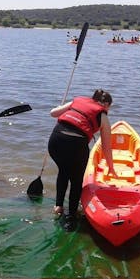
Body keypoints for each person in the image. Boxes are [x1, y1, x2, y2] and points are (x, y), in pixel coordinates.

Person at [48, 89, 116, 231]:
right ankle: (72, 213)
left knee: (63, 171)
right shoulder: (103, 116)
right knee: (76, 180)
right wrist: (111, 167)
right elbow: (106, 147)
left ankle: (58, 206)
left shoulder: (77, 101)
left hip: (56, 140)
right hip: (76, 144)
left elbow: (53, 113)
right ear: (107, 105)